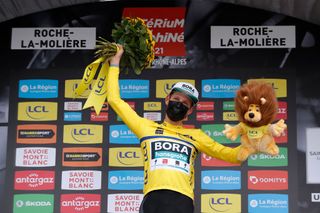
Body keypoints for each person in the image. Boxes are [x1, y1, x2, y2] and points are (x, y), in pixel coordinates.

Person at [107, 45, 243, 213]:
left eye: (185, 103)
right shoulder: (146, 128)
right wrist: (115, 62)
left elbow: (232, 156)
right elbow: (114, 100)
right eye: (176, 98)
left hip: (182, 201)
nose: (179, 104)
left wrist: (254, 143)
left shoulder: (196, 136)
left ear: (190, 110)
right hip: (153, 199)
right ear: (167, 99)